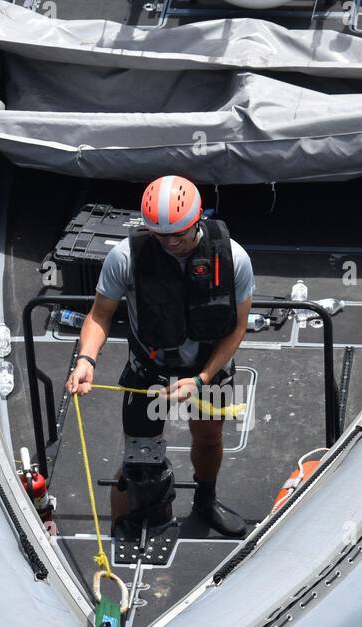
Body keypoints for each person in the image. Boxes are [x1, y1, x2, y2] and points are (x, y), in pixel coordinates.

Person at [64, 175, 254, 538]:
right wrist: (86, 360)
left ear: (197, 219)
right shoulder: (125, 258)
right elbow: (99, 315)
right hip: (148, 372)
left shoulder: (235, 259)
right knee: (139, 453)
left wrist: (202, 378)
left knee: (210, 438)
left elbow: (236, 329)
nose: (170, 242)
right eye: (160, 234)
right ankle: (140, 515)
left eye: (179, 233)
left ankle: (206, 500)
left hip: (206, 373)